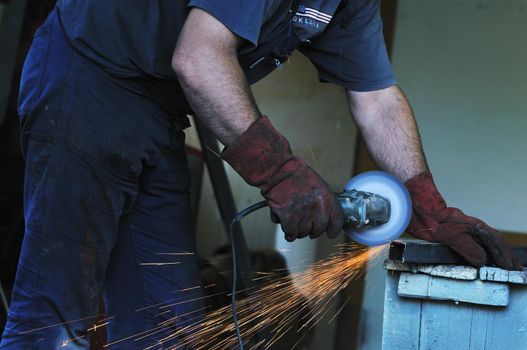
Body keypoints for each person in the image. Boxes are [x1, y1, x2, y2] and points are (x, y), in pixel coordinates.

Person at [1, 0, 520, 348]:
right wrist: (279, 172)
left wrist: (426, 203)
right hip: (88, 75)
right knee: (53, 314)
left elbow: (377, 97)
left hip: (157, 110)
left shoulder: (352, 4)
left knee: (166, 326)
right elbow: (199, 58)